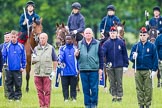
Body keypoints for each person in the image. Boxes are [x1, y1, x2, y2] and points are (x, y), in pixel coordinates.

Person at [129, 27, 158, 108]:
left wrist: (154, 70)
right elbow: (130, 58)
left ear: (147, 35)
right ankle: (141, 104)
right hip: (137, 70)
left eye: (144, 35)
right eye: (141, 35)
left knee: (148, 89)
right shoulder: (136, 46)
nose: (142, 36)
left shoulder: (152, 46)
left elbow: (155, 58)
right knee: (139, 89)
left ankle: (147, 104)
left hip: (148, 70)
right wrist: (133, 57)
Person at [75, 28, 103, 108]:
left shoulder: (97, 43)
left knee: (94, 89)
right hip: (83, 69)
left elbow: (101, 56)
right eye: (86, 33)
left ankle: (94, 104)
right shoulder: (80, 43)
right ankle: (87, 105)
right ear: (83, 34)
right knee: (85, 89)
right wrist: (76, 55)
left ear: (92, 34)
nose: (88, 34)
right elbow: (78, 57)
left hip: (94, 69)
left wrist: (101, 68)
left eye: (89, 33)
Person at [102, 26, 129, 102]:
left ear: (117, 33)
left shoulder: (121, 42)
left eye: (114, 33)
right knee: (112, 81)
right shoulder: (106, 43)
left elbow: (125, 54)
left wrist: (125, 65)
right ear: (109, 33)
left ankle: (119, 96)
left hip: (119, 65)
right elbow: (103, 53)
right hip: (110, 66)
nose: (113, 34)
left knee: (119, 81)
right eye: (111, 33)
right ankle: (114, 96)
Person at [32, 33, 57, 108]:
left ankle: (46, 106)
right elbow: (33, 62)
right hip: (37, 73)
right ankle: (41, 106)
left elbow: (55, 60)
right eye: (41, 38)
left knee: (47, 91)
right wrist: (34, 58)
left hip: (47, 74)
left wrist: (54, 71)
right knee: (39, 92)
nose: (42, 39)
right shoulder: (36, 49)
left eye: (43, 38)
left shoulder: (51, 48)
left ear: (47, 39)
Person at [2, 30, 26, 101]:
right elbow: (3, 56)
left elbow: (23, 57)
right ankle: (10, 97)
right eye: (12, 37)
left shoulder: (21, 46)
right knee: (9, 83)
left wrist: (23, 67)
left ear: (17, 37)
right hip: (9, 68)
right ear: (10, 37)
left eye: (14, 37)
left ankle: (17, 97)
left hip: (18, 69)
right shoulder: (7, 46)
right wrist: (4, 64)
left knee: (18, 84)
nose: (13, 38)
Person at [58, 34, 78, 102]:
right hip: (64, 71)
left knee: (73, 86)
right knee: (65, 86)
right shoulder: (62, 48)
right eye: (66, 39)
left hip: (73, 71)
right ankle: (66, 98)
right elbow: (61, 56)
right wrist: (59, 60)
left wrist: (78, 69)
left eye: (69, 39)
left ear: (72, 40)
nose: (68, 40)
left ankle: (74, 98)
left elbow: (78, 59)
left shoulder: (75, 48)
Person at [0, 32, 11, 98]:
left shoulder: (12, 45)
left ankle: (12, 94)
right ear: (4, 38)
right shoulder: (1, 46)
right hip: (3, 66)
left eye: (8, 37)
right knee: (5, 81)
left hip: (11, 66)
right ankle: (6, 95)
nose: (7, 38)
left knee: (11, 81)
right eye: (6, 37)